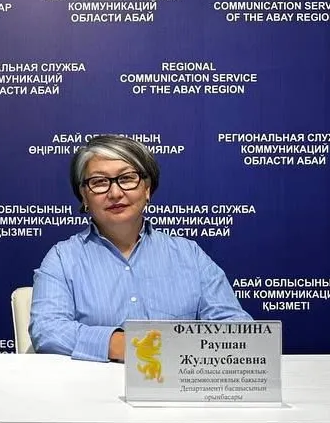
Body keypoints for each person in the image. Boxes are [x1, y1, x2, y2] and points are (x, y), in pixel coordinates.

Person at [29, 134, 252, 362]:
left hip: (177, 381)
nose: (115, 193)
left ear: (147, 189)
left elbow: (236, 327)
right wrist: (129, 345)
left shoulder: (189, 254)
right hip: (94, 382)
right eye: (99, 182)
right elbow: (47, 331)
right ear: (84, 196)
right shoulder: (62, 259)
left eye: (127, 178)